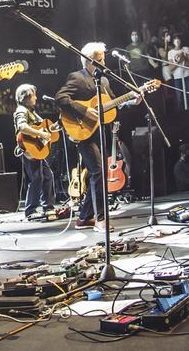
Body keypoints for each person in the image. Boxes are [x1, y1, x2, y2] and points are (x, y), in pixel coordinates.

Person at [56, 42, 119, 233]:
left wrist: (133, 98)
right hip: (82, 132)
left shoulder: (105, 82)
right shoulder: (77, 78)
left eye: (104, 58)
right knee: (98, 172)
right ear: (90, 61)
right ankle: (100, 219)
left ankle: (84, 218)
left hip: (99, 132)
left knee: (98, 174)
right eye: (100, 59)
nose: (104, 62)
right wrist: (84, 111)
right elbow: (60, 98)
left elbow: (113, 104)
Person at [13, 83, 55, 220]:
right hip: (28, 150)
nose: (36, 98)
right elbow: (21, 126)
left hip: (36, 150)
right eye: (33, 95)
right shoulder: (22, 110)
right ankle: (30, 210)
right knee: (37, 178)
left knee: (47, 176)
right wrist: (41, 134)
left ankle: (48, 207)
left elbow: (42, 127)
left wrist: (53, 128)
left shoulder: (31, 111)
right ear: (25, 98)